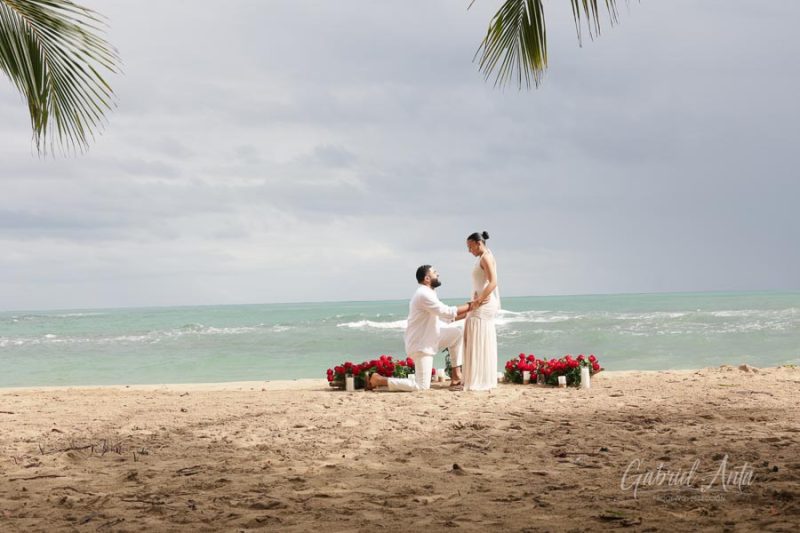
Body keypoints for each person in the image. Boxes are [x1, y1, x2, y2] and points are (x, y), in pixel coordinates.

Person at [368, 265, 472, 391]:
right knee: (421, 386)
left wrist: (468, 314)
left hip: (431, 338)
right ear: (427, 278)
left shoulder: (430, 293)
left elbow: (443, 318)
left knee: (457, 334)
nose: (438, 274)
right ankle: (379, 379)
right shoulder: (423, 294)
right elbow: (447, 311)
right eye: (435, 272)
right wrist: (471, 305)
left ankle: (456, 376)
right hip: (421, 345)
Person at [462, 231, 500, 391]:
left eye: (470, 246)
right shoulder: (484, 256)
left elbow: (493, 282)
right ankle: (476, 378)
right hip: (481, 302)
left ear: (479, 243)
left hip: (483, 304)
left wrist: (478, 300)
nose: (469, 250)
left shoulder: (485, 257)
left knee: (476, 336)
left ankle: (478, 379)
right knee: (475, 336)